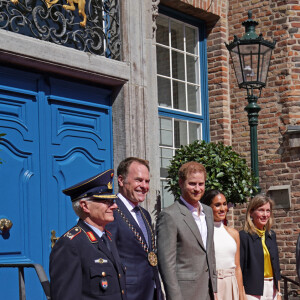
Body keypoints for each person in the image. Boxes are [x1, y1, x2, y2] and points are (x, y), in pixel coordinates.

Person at [49, 169, 127, 300]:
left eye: (112, 201)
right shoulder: (70, 244)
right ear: (85, 206)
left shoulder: (107, 237)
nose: (114, 207)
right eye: (106, 202)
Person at [156, 161, 217, 300]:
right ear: (181, 183)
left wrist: (214, 287)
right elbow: (167, 265)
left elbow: (210, 251)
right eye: (192, 184)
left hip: (208, 292)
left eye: (201, 184)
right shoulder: (169, 216)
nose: (197, 188)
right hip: (185, 294)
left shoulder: (208, 212)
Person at [106, 157, 164, 300]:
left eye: (147, 181)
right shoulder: (111, 212)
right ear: (121, 180)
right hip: (129, 293)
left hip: (152, 291)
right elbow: (109, 257)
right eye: (139, 180)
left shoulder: (144, 214)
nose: (144, 186)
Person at [201, 190, 245, 300]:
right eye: (217, 205)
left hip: (231, 284)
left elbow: (237, 267)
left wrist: (241, 294)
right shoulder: (203, 232)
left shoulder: (234, 233)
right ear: (208, 207)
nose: (222, 209)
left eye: (224, 204)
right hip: (212, 285)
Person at [239, 194, 281, 300]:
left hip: (272, 289)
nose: (265, 214)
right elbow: (239, 268)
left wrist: (279, 293)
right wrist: (242, 294)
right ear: (251, 213)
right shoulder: (243, 236)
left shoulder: (271, 235)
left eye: (268, 211)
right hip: (252, 291)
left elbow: (276, 267)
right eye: (261, 210)